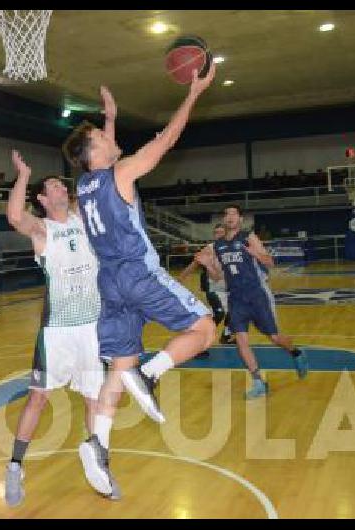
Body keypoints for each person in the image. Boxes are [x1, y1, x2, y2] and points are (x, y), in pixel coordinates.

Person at [63, 69, 217, 497]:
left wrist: (108, 119)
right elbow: (167, 139)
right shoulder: (122, 174)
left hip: (108, 284)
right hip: (137, 274)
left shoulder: (86, 185)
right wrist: (193, 93)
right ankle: (151, 375)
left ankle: (98, 446)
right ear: (96, 149)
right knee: (204, 327)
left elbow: (102, 159)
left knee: (118, 369)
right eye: (105, 136)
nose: (115, 141)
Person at [2, 150, 110, 506]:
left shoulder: (83, 218)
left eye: (62, 184)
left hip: (92, 326)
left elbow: (105, 179)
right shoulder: (43, 229)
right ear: (44, 200)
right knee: (38, 397)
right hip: (58, 329)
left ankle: (98, 464)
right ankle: (15, 466)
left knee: (94, 398)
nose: (61, 187)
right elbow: (15, 215)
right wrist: (23, 174)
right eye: (52, 186)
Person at [196, 205, 309, 398]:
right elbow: (217, 277)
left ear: (240, 219)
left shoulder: (248, 237)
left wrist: (254, 253)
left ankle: (296, 353)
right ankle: (258, 382)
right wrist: (208, 266)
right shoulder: (218, 246)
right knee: (241, 341)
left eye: (233, 214)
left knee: (274, 337)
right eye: (226, 213)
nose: (229, 217)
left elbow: (270, 262)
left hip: (256, 295)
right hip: (236, 298)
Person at [180, 223, 235, 347]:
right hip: (213, 287)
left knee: (235, 311)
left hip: (229, 287)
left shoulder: (232, 248)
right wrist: (179, 280)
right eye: (216, 233)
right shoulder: (209, 248)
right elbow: (193, 265)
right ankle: (198, 340)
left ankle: (226, 335)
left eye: (221, 232)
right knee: (219, 314)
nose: (218, 235)